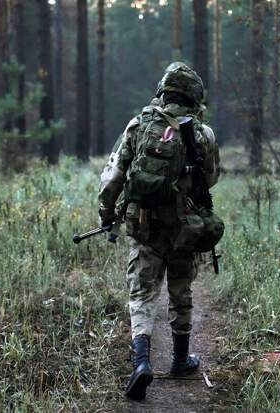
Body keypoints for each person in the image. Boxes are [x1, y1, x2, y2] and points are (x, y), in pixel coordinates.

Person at [97, 62, 220, 400]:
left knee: (142, 294)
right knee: (181, 290)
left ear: (163, 91)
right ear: (194, 97)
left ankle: (141, 363)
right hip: (184, 226)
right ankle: (181, 359)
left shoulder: (139, 125)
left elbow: (113, 177)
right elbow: (210, 179)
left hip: (144, 224)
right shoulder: (202, 134)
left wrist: (107, 214)